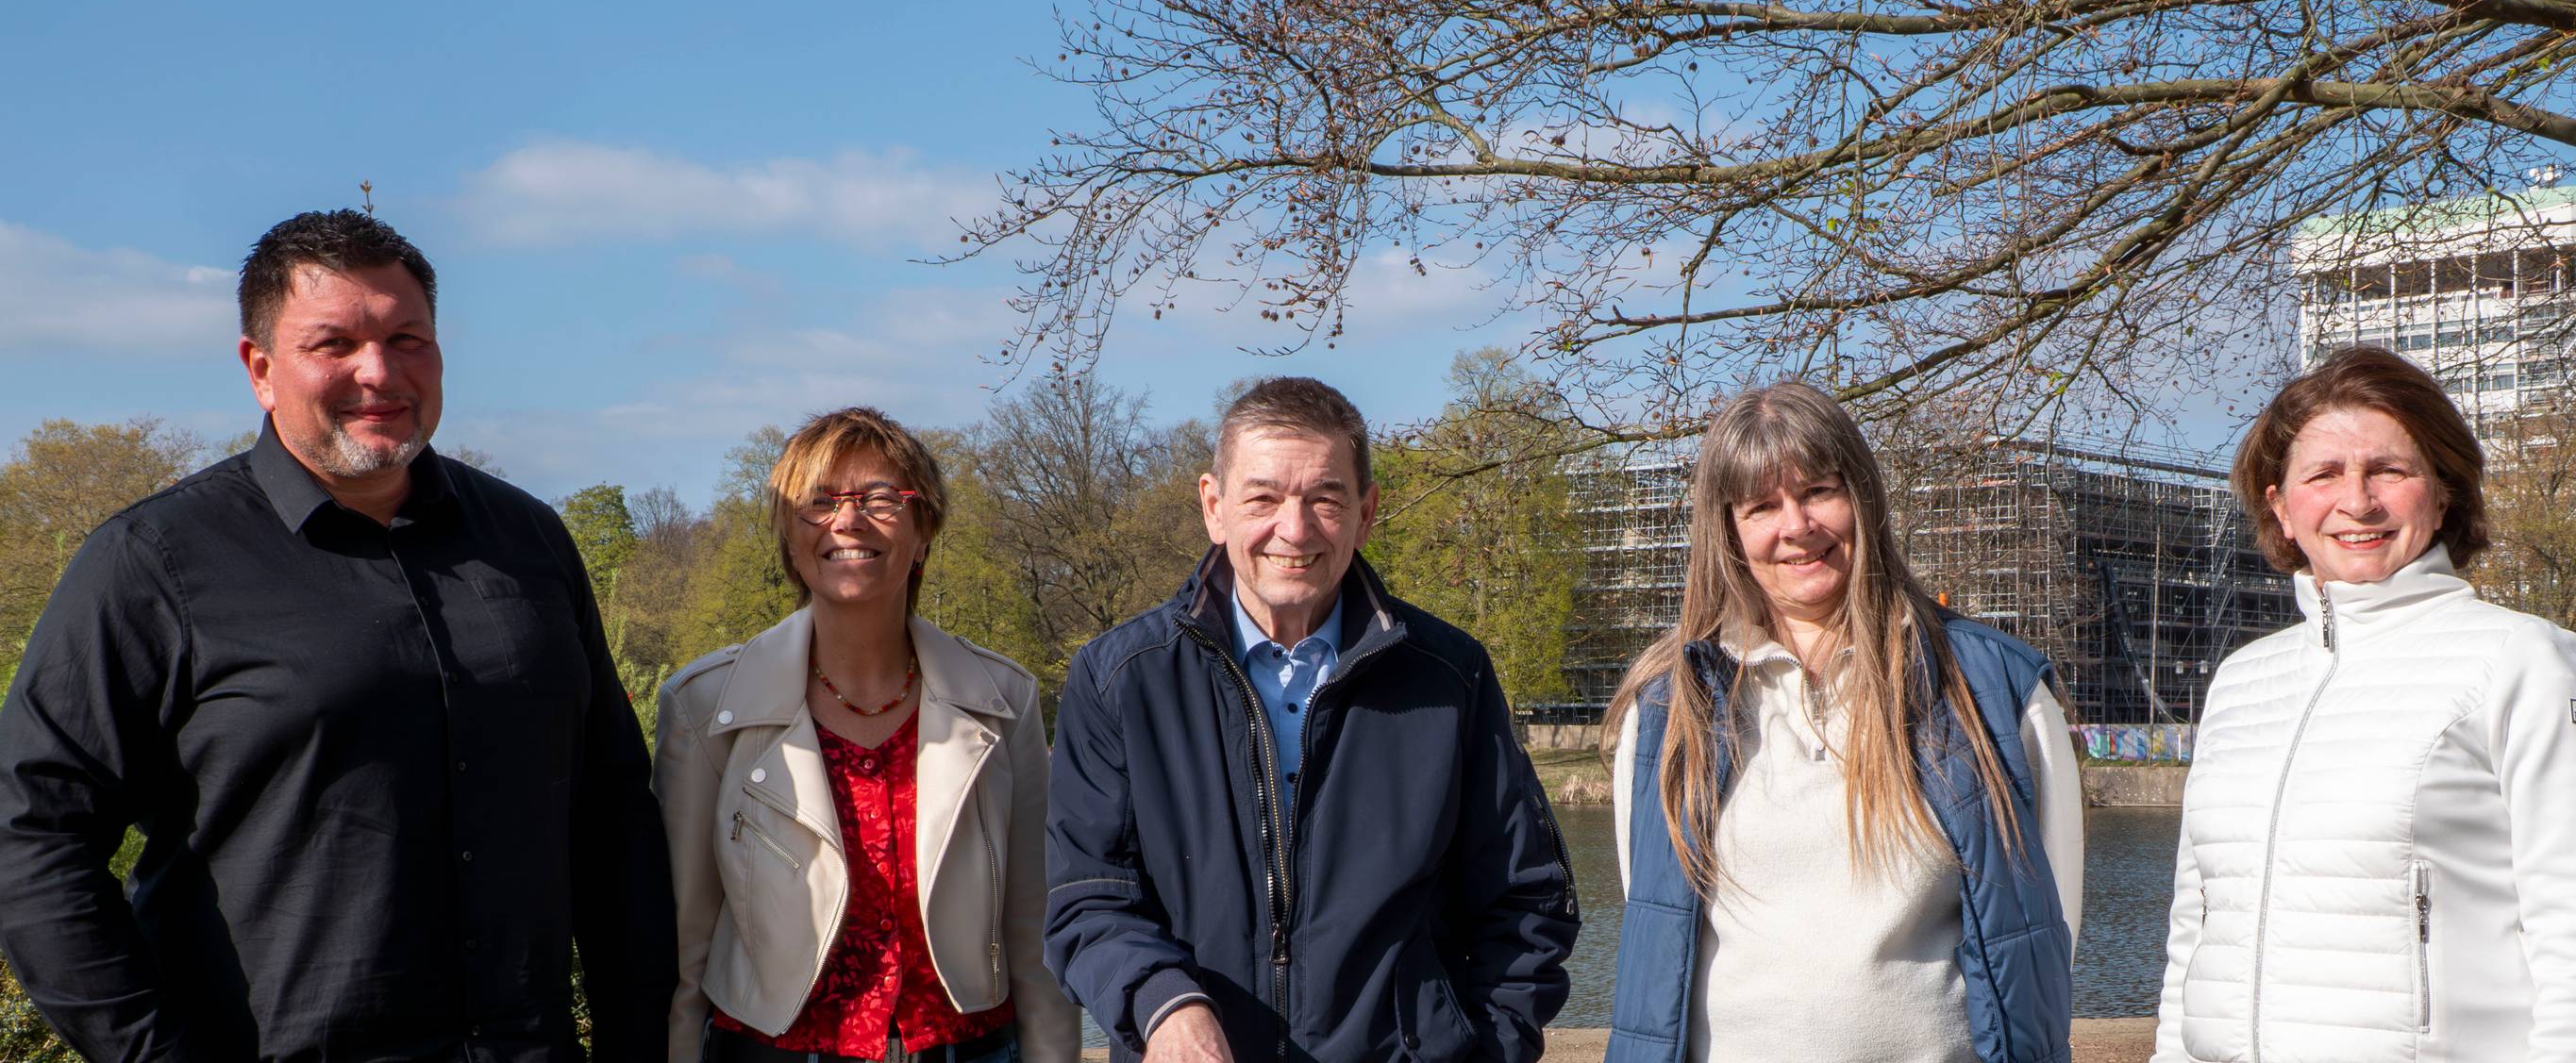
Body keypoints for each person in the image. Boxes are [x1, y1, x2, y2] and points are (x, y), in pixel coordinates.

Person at [0, 209, 675, 1060]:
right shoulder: (153, 564)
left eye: (407, 338)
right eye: (334, 344)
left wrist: (636, 1038)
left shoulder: (529, 542)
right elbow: (30, 835)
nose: (379, 371)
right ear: (260, 369)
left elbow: (612, 812)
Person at [1045, 375, 1580, 1063]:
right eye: (1263, 498)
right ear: (1214, 507)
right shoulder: (1119, 678)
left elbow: (1527, 902)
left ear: (1366, 513)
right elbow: (1087, 897)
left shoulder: (1451, 677)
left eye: (1324, 499)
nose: (1292, 530)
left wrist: (1487, 1051)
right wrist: (1163, 1004)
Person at [2150, 345, 2576, 1062]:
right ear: (2281, 508)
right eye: (2323, 475)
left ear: (2443, 494)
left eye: (2389, 470)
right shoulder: (2243, 680)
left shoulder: (2523, 660)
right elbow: (2197, 923)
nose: (2358, 501)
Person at [1604, 381, 2081, 1063]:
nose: (1796, 525)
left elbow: (2050, 929)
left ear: (1862, 497)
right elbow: (1656, 921)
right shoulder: (1668, 709)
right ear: (1728, 531)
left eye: (1819, 491)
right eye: (1762, 505)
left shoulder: (1991, 690)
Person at [654, 407, 1079, 1063]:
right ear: (789, 536)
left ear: (924, 527)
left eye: (880, 498)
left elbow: (1033, 930)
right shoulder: (706, 706)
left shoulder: (1002, 700)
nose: (847, 520)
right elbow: (686, 946)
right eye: (817, 502)